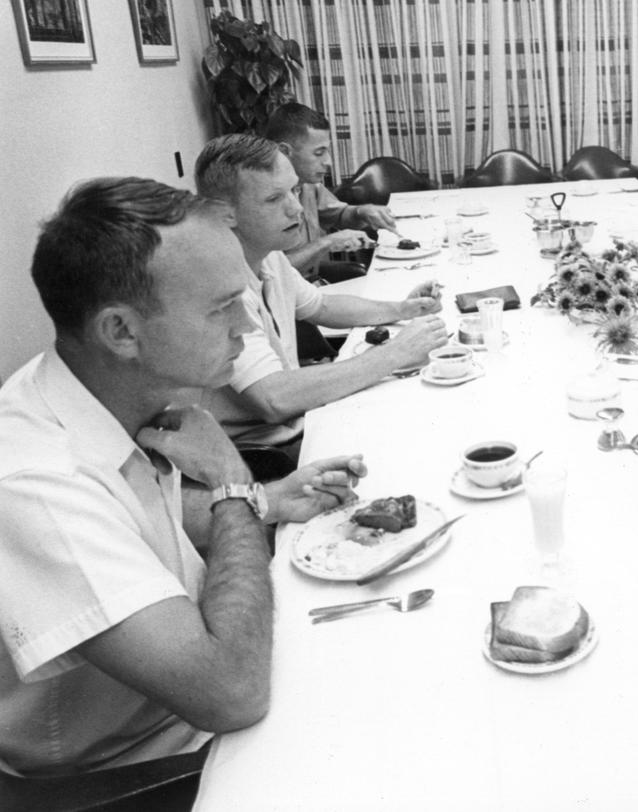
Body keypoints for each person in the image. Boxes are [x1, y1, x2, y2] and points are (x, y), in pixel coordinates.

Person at [0, 178, 366, 777]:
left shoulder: (115, 396)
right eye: (222, 306)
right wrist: (231, 487)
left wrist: (265, 498)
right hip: (146, 765)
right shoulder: (34, 484)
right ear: (121, 331)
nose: (248, 326)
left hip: (194, 703)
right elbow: (232, 693)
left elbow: (128, 524)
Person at [196, 134, 450, 448]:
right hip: (269, 452)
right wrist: (396, 353)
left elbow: (322, 307)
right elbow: (273, 398)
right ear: (225, 212)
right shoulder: (213, 283)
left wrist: (402, 309)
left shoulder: (267, 254)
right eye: (275, 199)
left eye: (293, 191)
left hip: (299, 421)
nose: (295, 210)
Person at [263, 102, 396, 278]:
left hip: (314, 287)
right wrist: (326, 243)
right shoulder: (261, 199)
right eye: (319, 153)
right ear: (284, 151)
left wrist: (361, 211)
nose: (329, 162)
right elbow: (270, 274)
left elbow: (339, 215)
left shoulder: (309, 185)